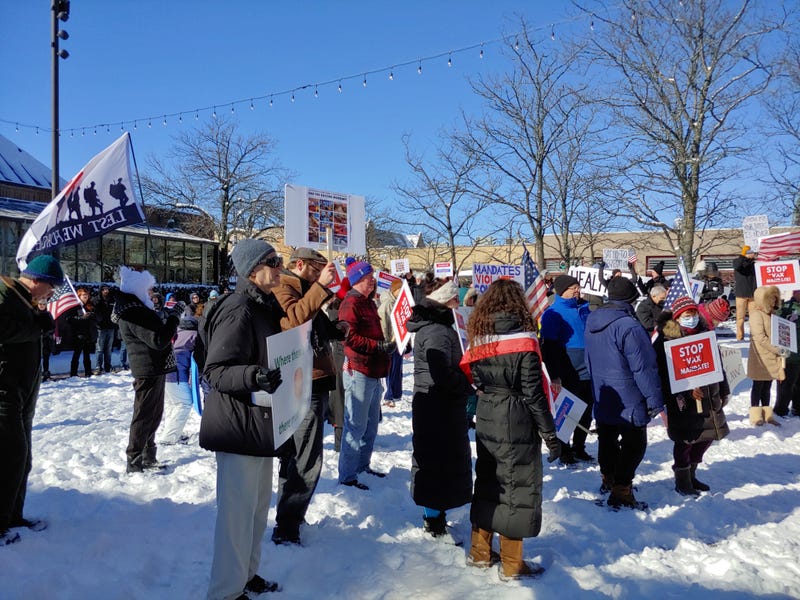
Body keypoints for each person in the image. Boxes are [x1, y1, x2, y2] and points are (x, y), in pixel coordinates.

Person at [198, 239, 285, 599]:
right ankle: (225, 592)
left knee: (256, 508)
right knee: (236, 516)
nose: (281, 266)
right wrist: (254, 376)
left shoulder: (263, 305)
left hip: (258, 422)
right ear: (252, 269)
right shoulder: (238, 309)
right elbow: (215, 371)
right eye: (273, 261)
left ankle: (246, 575)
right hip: (237, 425)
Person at [460, 279, 560, 580]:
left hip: (488, 412)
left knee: (490, 481)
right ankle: (512, 563)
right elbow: (533, 393)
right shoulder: (526, 341)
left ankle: (479, 552)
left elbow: (473, 377)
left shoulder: (479, 338)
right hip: (516, 418)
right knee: (516, 488)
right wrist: (550, 434)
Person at [271, 247, 342, 546]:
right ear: (299, 265)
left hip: (312, 378)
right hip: (300, 381)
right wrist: (320, 287)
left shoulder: (304, 289)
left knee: (297, 456)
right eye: (315, 270)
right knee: (305, 458)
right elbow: (294, 321)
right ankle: (287, 525)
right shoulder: (284, 286)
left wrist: (337, 330)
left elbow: (315, 324)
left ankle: (289, 517)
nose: (318, 277)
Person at [584, 277, 664, 509]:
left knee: (607, 438)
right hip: (628, 393)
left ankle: (609, 479)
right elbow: (643, 367)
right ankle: (621, 489)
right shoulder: (630, 326)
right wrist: (654, 399)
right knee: (635, 443)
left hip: (604, 392)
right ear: (631, 299)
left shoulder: (591, 320)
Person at [0, 255, 64, 545]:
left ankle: (13, 516)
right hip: (4, 390)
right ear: (37, 280)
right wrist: (36, 328)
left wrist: (40, 319)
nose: (52, 293)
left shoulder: (25, 300)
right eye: (51, 287)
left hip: (23, 392)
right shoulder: (4, 292)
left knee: (22, 459)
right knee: (9, 457)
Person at [406, 280, 472, 540]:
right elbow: (441, 372)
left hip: (438, 404)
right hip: (438, 405)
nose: (459, 303)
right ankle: (433, 518)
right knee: (436, 461)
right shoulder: (437, 331)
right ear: (446, 302)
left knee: (438, 460)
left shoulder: (438, 327)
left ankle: (436, 514)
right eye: (455, 299)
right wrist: (465, 385)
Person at [652, 297, 730, 496]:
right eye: (687, 315)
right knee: (686, 439)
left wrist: (724, 388)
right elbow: (661, 371)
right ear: (677, 318)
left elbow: (717, 363)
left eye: (694, 314)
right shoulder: (666, 339)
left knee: (706, 436)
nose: (692, 318)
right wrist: (686, 391)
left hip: (709, 394)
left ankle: (692, 473)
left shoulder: (706, 333)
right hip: (683, 399)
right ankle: (682, 478)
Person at [113, 267, 182, 474]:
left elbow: (155, 333)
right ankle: (134, 460)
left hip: (154, 367)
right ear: (139, 288)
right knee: (144, 416)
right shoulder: (134, 311)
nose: (152, 293)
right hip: (147, 368)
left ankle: (148, 455)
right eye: (149, 289)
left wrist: (166, 316)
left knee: (154, 415)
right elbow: (158, 339)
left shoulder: (137, 308)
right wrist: (174, 318)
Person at [337, 257, 395, 490]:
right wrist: (377, 346)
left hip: (374, 371)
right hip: (359, 370)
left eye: (372, 277)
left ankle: (363, 466)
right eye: (369, 277)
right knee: (356, 426)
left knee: (370, 425)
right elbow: (348, 337)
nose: (373, 281)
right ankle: (348, 475)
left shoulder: (368, 302)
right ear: (358, 279)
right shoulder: (351, 303)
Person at [539, 274, 594, 464]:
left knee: (587, 410)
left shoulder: (586, 308)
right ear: (562, 291)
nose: (577, 290)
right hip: (568, 368)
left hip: (588, 367)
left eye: (578, 287)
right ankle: (565, 449)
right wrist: (554, 374)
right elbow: (549, 347)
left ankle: (580, 446)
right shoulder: (553, 312)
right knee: (569, 411)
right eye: (573, 288)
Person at [159, 304, 199, 445]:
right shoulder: (195, 336)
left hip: (164, 373)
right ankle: (168, 439)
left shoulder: (177, 333)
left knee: (172, 405)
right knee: (183, 404)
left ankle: (171, 433)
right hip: (177, 376)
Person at [746, 285, 784, 427]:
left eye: (775, 298)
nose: (774, 301)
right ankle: (756, 416)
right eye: (771, 298)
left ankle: (768, 415)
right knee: (758, 386)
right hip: (760, 357)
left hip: (771, 356)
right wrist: (777, 349)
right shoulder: (756, 314)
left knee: (767, 386)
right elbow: (760, 337)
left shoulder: (772, 314)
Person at [378, 278, 404, 407]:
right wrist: (386, 341)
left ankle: (395, 393)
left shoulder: (398, 302)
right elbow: (384, 324)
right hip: (390, 341)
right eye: (400, 289)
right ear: (394, 290)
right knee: (390, 369)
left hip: (398, 339)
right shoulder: (387, 303)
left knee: (397, 369)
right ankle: (388, 395)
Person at [776, 290, 800, 418]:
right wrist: (788, 320)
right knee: (786, 384)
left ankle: (797, 408)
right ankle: (781, 410)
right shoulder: (785, 306)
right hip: (790, 355)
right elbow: (776, 323)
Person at [67, 287, 97, 378]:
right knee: (76, 354)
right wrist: (81, 318)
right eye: (83, 295)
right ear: (79, 296)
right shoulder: (75, 307)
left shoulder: (90, 306)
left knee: (87, 355)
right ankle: (73, 374)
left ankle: (88, 372)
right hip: (78, 334)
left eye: (87, 295)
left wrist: (92, 315)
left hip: (88, 333)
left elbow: (96, 318)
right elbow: (69, 319)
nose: (86, 297)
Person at [733, 246, 758, 341]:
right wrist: (743, 256)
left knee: (754, 317)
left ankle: (754, 336)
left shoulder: (754, 265)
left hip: (753, 295)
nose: (753, 254)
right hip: (741, 294)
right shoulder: (737, 262)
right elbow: (737, 266)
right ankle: (740, 336)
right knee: (740, 317)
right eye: (750, 253)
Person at [93, 285, 117, 374]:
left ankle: (108, 366)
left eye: (107, 289)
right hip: (100, 328)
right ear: (101, 291)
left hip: (111, 327)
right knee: (99, 348)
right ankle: (98, 366)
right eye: (104, 290)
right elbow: (94, 311)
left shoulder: (112, 300)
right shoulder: (96, 300)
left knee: (108, 349)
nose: (106, 291)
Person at [36, 299, 56, 381]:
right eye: (40, 304)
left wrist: (47, 332)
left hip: (46, 340)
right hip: (36, 339)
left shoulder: (48, 314)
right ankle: (36, 375)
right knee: (36, 358)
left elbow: (53, 327)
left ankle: (46, 373)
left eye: (43, 304)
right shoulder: (34, 314)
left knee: (46, 358)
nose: (41, 305)